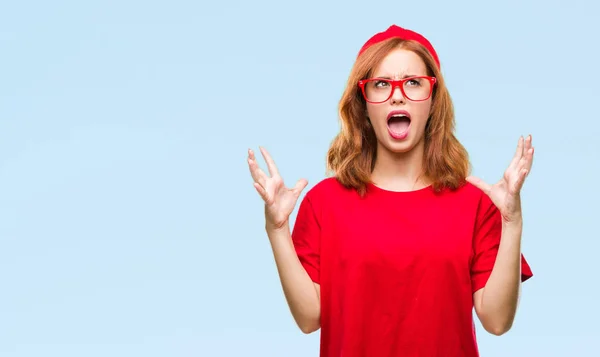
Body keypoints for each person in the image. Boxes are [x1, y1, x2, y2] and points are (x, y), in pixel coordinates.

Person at [247, 24, 534, 357]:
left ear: (433, 101)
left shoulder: (474, 204)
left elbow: (497, 321)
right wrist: (277, 229)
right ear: (364, 104)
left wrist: (512, 222)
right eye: (381, 84)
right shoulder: (325, 203)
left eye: (413, 82)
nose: (397, 94)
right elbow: (310, 318)